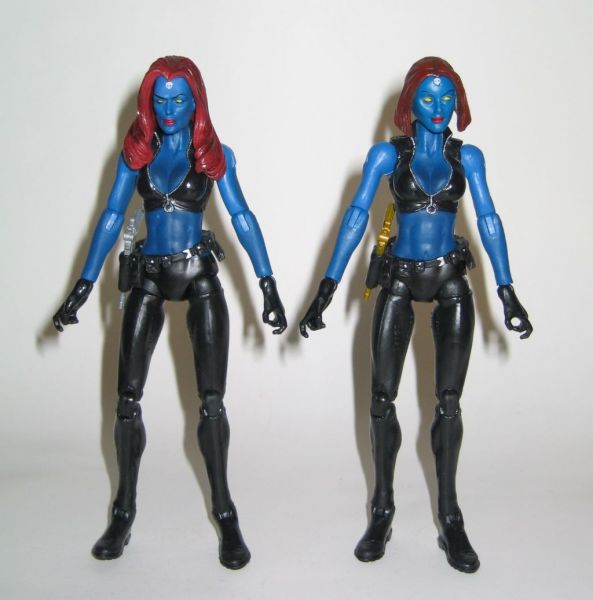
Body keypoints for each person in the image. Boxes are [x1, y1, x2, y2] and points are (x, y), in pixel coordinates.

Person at [299, 56, 532, 573]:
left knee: (448, 404)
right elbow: (356, 216)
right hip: (399, 279)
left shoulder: (467, 157)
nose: (438, 105)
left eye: (447, 97)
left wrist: (506, 289)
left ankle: (450, 516)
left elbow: (489, 219)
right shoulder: (387, 155)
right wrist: (327, 286)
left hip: (450, 280)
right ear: (410, 102)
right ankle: (382, 509)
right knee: (382, 399)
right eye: (428, 97)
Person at [53, 56, 287, 570]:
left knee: (211, 402)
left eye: (179, 99)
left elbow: (242, 216)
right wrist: (83, 285)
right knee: (127, 399)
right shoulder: (136, 156)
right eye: (159, 100)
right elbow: (111, 217)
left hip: (199, 277)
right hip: (150, 277)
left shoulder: (214, 155)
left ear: (196, 102)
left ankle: (225, 513)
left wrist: (266, 283)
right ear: (147, 103)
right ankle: (123, 511)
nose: (169, 109)